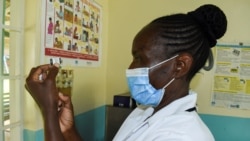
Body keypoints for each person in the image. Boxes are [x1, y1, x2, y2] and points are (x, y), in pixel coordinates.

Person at [25, 4, 227, 141]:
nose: (131, 68)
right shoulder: (145, 111)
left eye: (140, 57)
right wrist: (68, 130)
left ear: (180, 65)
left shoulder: (181, 136)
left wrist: (49, 111)